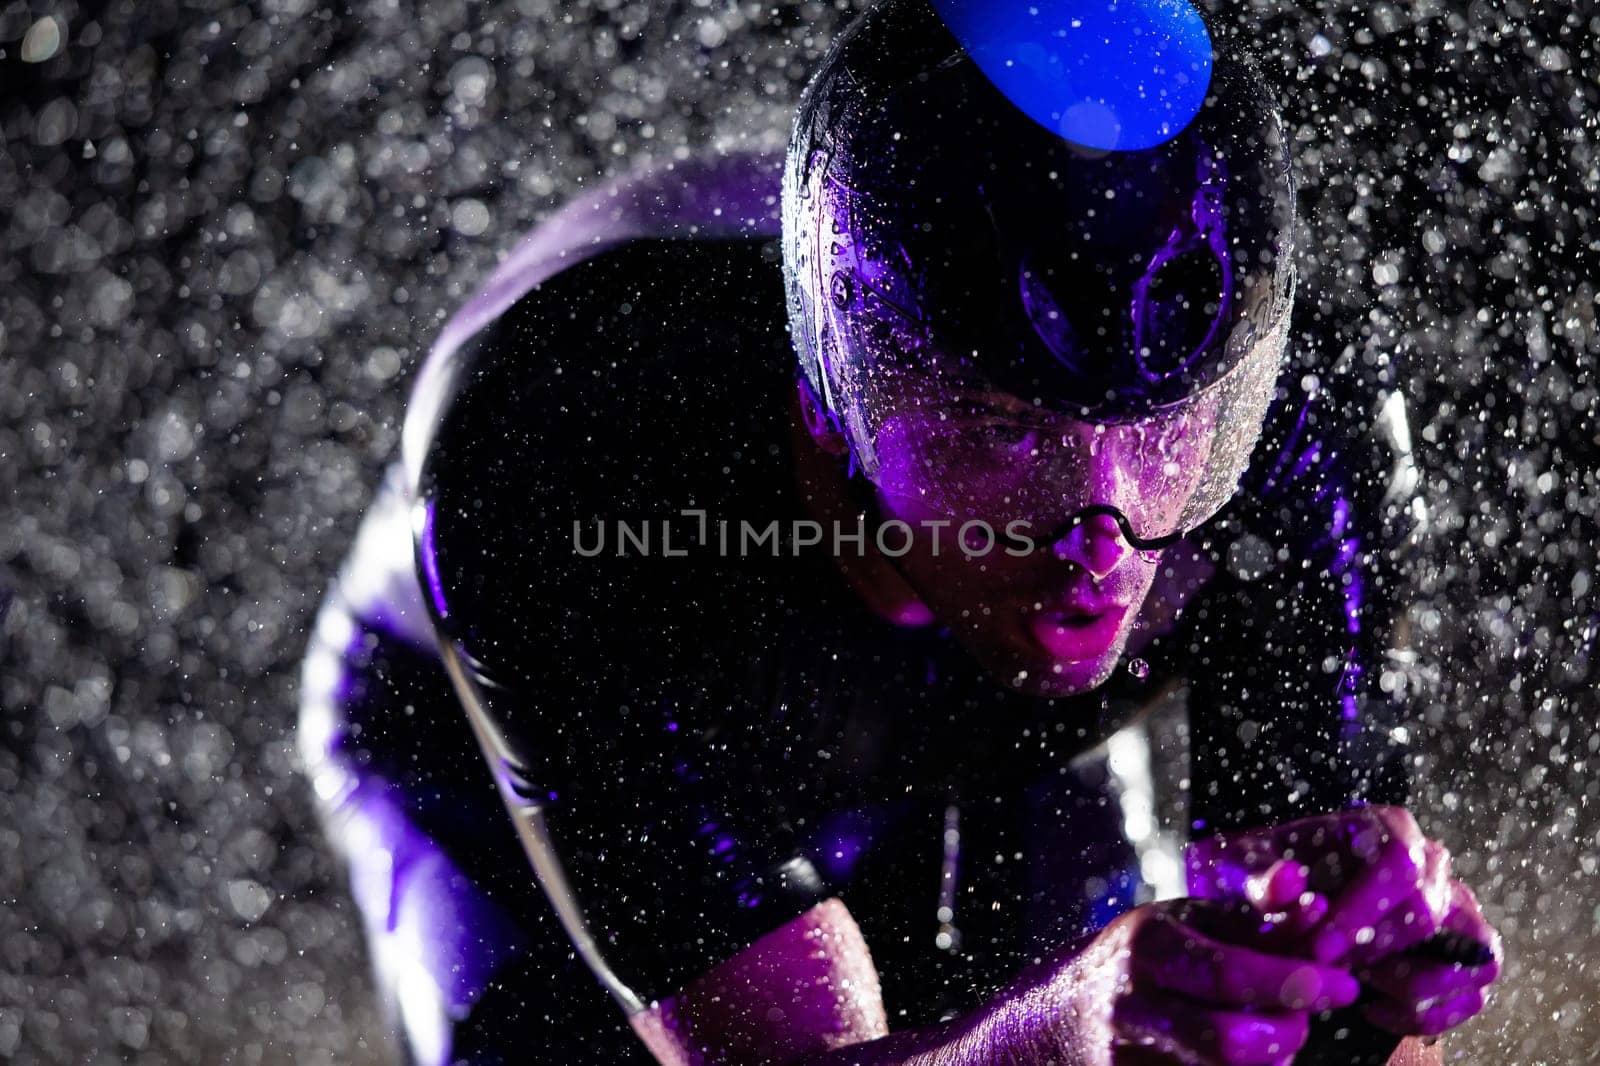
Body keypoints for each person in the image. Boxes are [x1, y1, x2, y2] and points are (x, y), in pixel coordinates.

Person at [297, 2, 1501, 1062]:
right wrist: (1062, 1032)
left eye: (1173, 430)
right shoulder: (577, 455)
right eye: (1005, 430)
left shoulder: (1301, 439)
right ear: (831, 408)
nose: (1102, 542)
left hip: (962, 736)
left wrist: (1347, 997)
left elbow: (1300, 1011)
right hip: (492, 741)